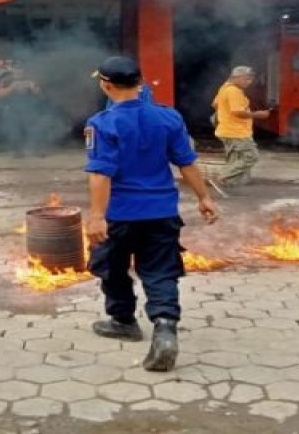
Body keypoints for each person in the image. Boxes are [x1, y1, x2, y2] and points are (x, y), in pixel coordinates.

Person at [84, 56, 218, 372]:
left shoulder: (102, 123)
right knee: (160, 271)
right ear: (140, 83)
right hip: (161, 211)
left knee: (112, 267)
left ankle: (123, 321)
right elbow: (185, 162)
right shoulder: (169, 118)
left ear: (106, 85)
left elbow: (101, 174)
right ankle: (165, 328)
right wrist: (205, 197)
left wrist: (96, 216)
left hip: (119, 214)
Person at [211, 65, 271, 188]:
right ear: (236, 77)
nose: (249, 82)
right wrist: (258, 115)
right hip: (236, 132)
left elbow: (215, 104)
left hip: (226, 130)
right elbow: (237, 112)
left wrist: (223, 114)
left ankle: (229, 183)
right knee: (251, 157)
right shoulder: (234, 91)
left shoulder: (225, 88)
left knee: (234, 158)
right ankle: (222, 176)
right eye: (246, 79)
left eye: (250, 79)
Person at [0, 60, 44, 157]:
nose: (19, 71)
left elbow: (40, 94)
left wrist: (33, 88)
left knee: (33, 130)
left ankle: (34, 150)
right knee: (15, 131)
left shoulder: (31, 79)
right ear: (13, 70)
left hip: (29, 108)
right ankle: (18, 151)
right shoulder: (5, 80)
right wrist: (12, 87)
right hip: (12, 108)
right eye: (17, 69)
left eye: (21, 69)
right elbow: (0, 94)